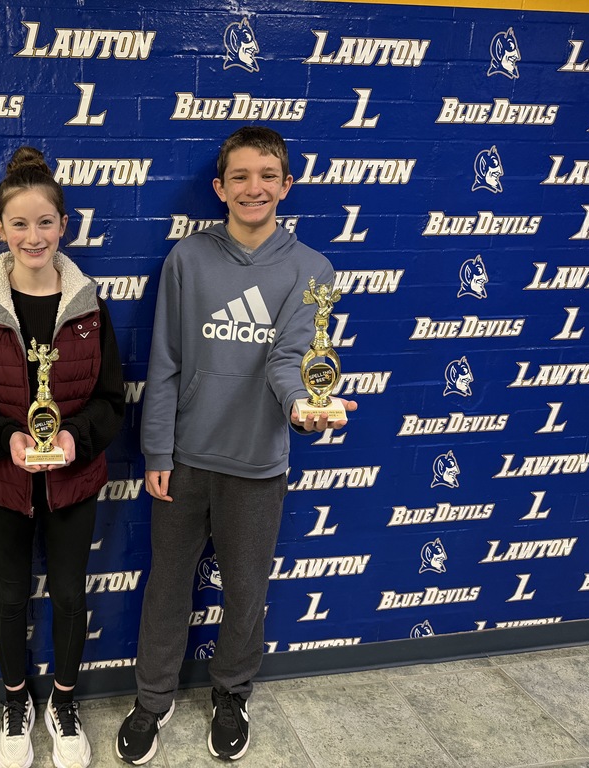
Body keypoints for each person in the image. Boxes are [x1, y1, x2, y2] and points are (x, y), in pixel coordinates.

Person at [116, 126, 357, 764]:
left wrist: (303, 407)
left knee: (246, 589)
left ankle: (231, 693)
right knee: (167, 585)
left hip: (257, 464)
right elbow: (164, 362)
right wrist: (159, 454)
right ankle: (151, 699)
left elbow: (290, 362)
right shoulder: (187, 260)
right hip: (187, 461)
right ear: (220, 188)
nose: (255, 188)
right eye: (241, 177)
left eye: (268, 176)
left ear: (287, 185)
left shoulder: (313, 271)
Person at [0, 146, 124, 768]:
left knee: (72, 596)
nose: (33, 235)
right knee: (8, 597)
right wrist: (9, 442)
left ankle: (65, 702)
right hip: (4, 481)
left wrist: (75, 439)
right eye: (19, 224)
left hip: (74, 480)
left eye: (45, 222)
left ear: (64, 226)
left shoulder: (89, 307)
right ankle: (16, 700)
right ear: (0, 229)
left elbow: (110, 402)